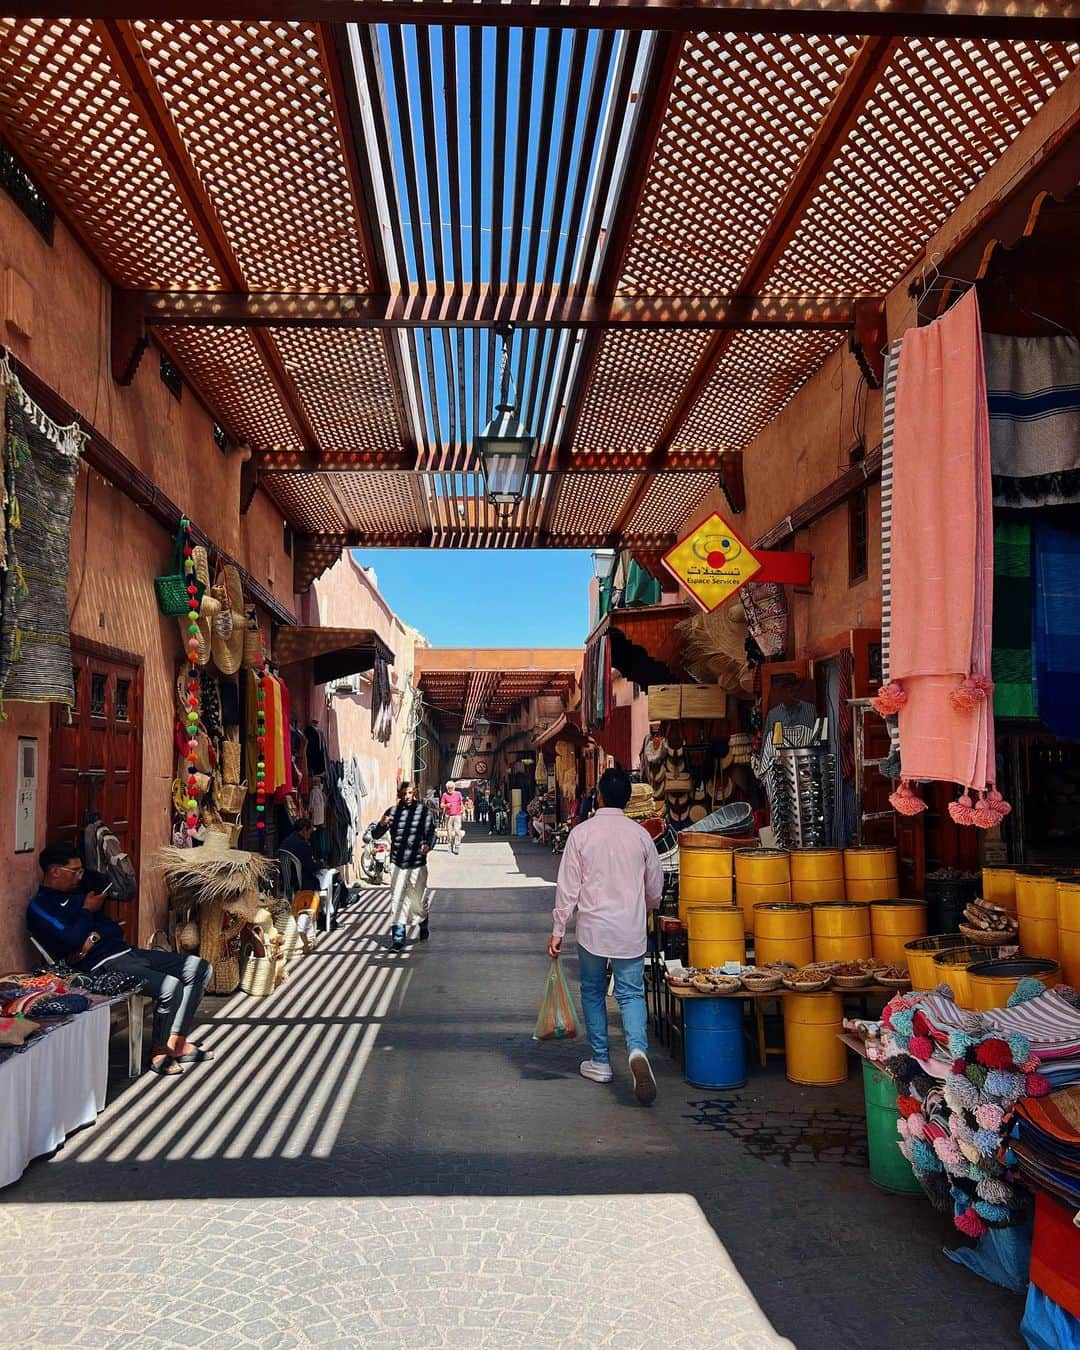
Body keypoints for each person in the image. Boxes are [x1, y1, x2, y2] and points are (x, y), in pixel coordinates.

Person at [27, 842, 213, 1078]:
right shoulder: (41, 906)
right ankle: (159, 1050)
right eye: (75, 871)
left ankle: (175, 1040)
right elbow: (71, 939)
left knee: (199, 968)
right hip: (99, 967)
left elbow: (112, 931)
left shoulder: (80, 893)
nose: (80, 877)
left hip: (127, 953)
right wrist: (86, 911)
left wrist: (89, 937)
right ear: (54, 871)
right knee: (170, 987)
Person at [548, 767, 663, 1105]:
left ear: (598, 796)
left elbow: (568, 888)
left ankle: (600, 1061)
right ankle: (638, 1051)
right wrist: (648, 905)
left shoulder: (581, 834)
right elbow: (654, 887)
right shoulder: (641, 835)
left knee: (594, 991)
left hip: (592, 930)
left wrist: (558, 929)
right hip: (629, 928)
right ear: (628, 799)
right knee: (630, 993)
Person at [372, 781, 436, 949]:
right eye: (403, 794)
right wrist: (381, 824)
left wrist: (428, 845)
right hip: (397, 863)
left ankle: (423, 919)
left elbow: (431, 833)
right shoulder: (391, 813)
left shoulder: (423, 812)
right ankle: (398, 938)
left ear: (414, 792)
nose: (407, 797)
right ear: (399, 795)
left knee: (417, 900)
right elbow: (376, 834)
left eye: (409, 793)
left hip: (417, 863)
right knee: (397, 899)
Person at [440, 779, 465, 855]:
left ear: (454, 787)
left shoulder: (458, 794)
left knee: (457, 831)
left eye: (451, 787)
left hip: (457, 815)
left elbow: (461, 804)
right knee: (449, 832)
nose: (450, 789)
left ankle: (457, 846)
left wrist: (463, 812)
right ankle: (450, 846)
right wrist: (446, 805)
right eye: (448, 788)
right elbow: (441, 805)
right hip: (448, 816)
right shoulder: (444, 795)